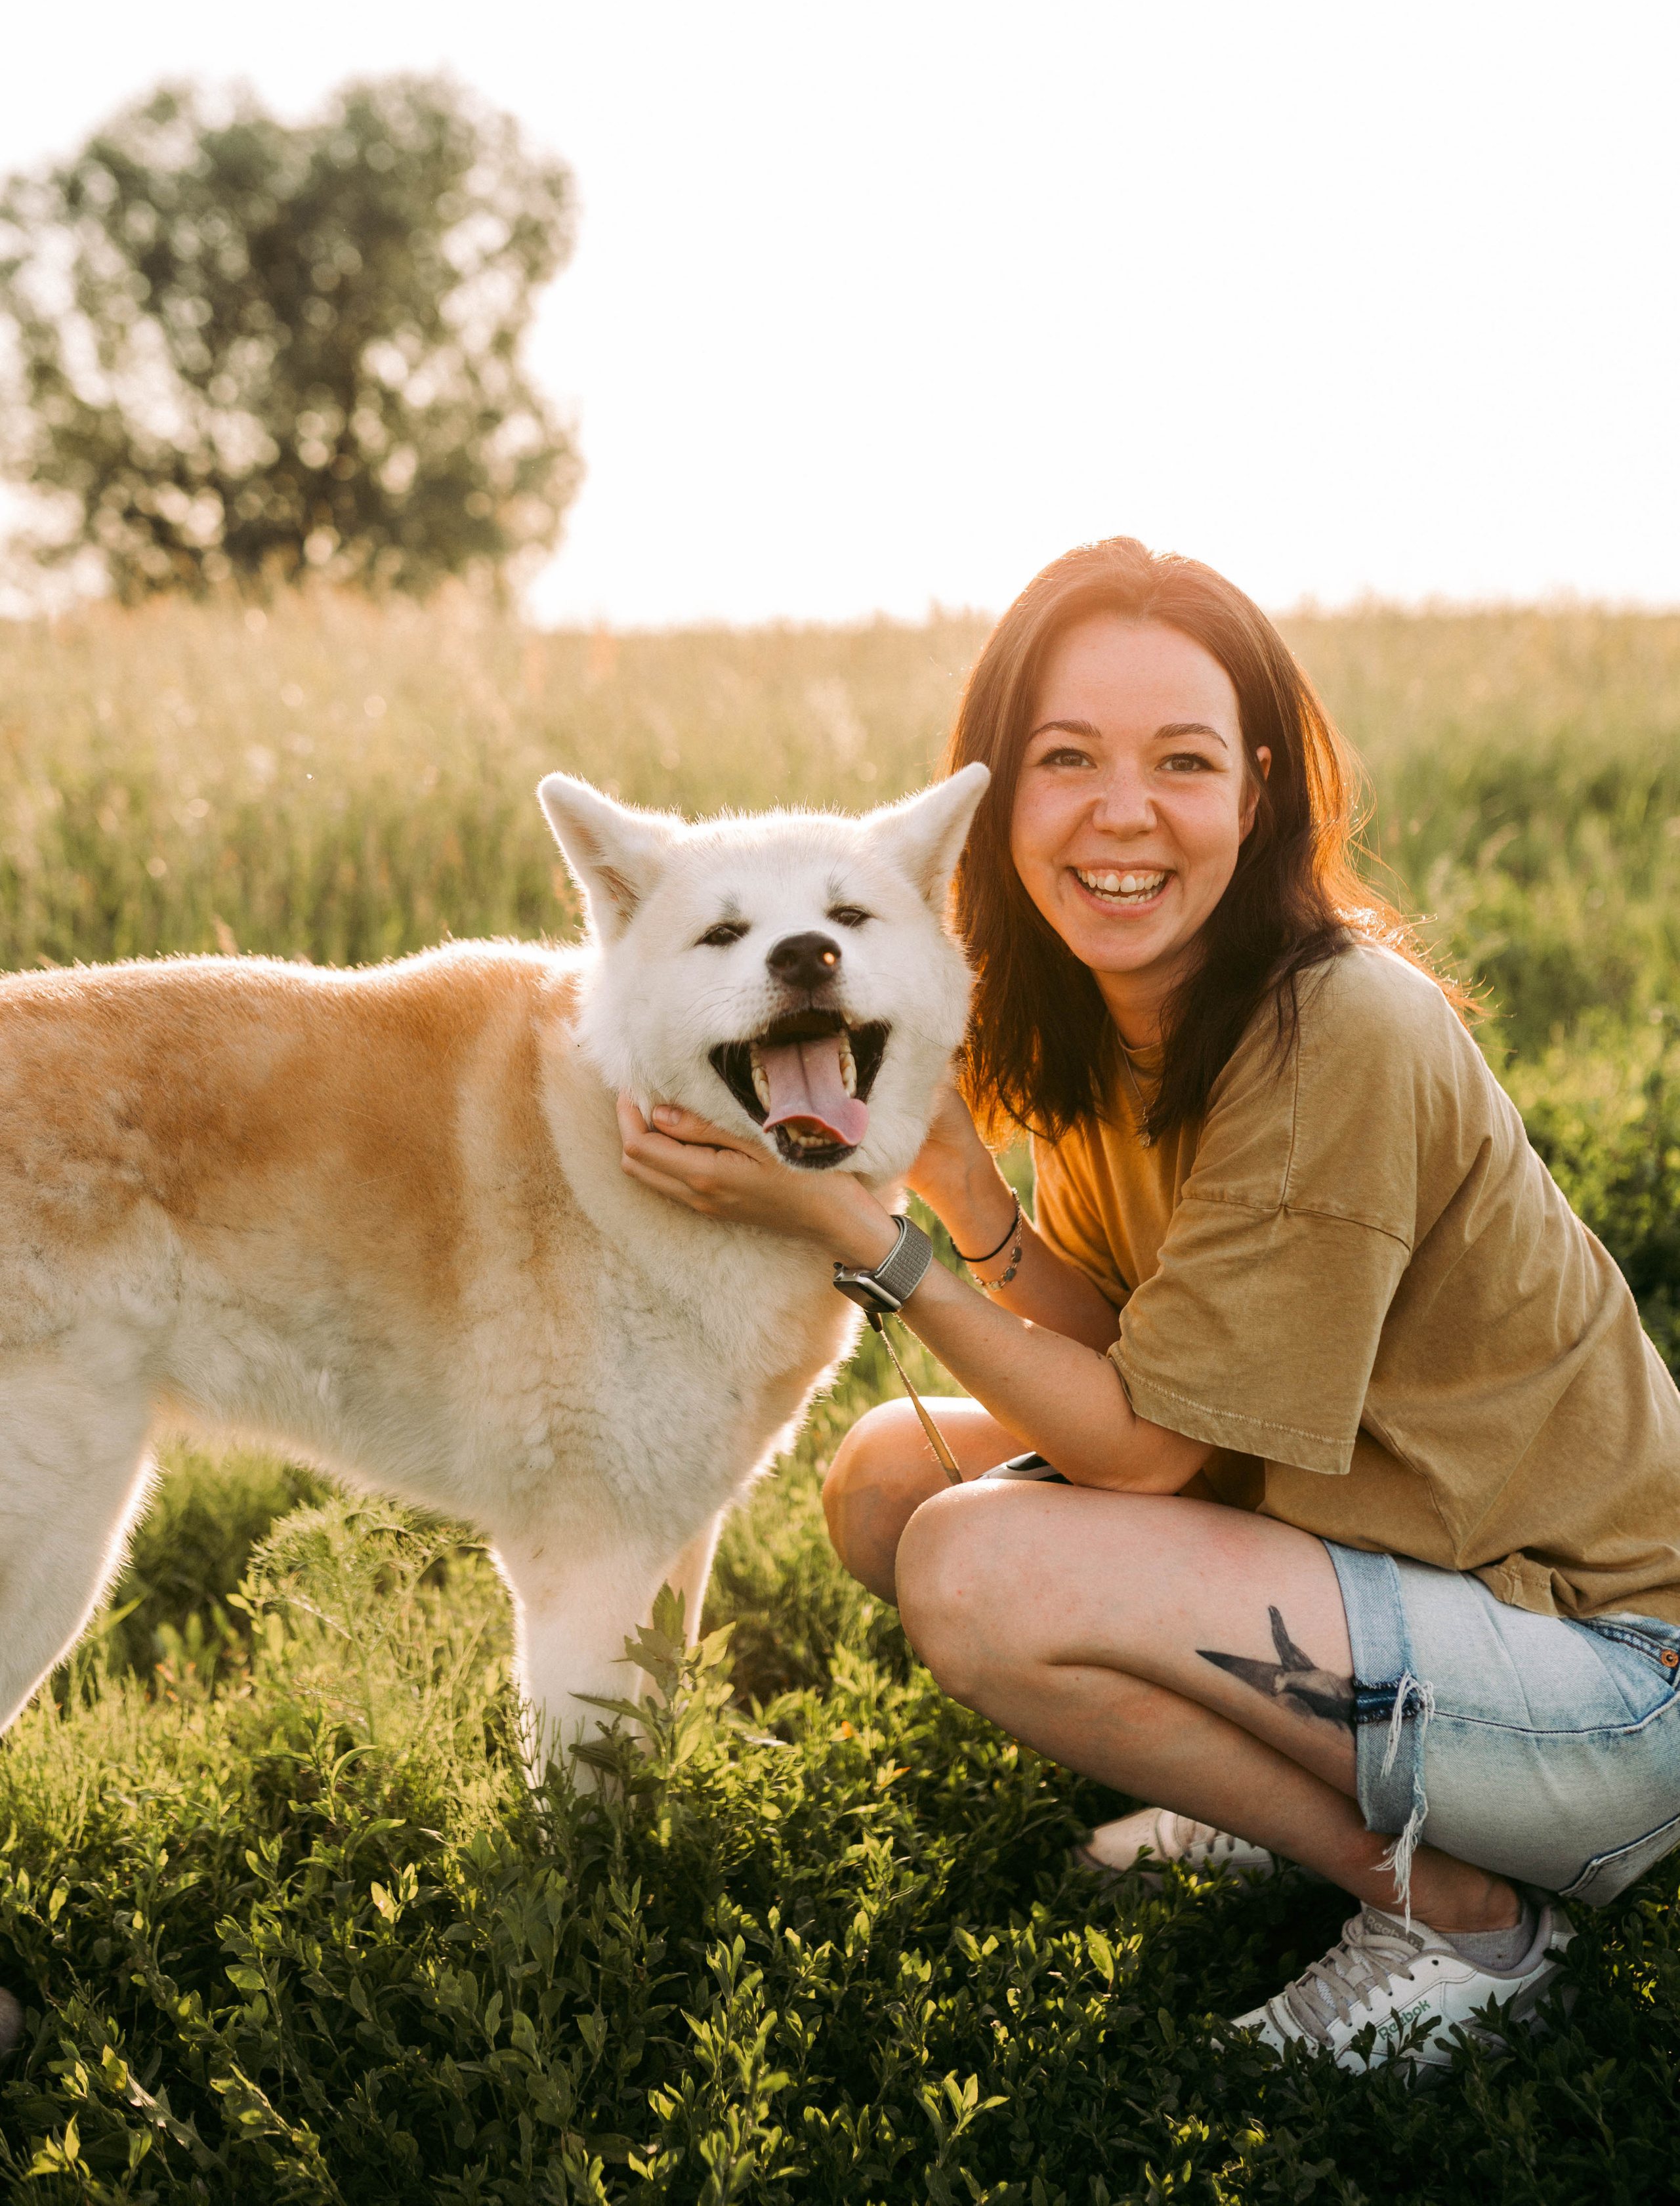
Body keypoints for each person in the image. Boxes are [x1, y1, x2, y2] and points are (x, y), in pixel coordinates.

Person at [618, 537, 1680, 2073]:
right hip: (1379, 1560)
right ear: (1000, 796)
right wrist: (968, 1197)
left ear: (1253, 795)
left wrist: (879, 1247)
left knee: (977, 1571)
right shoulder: (1103, 1009)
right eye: (1067, 760)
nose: (1121, 812)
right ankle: (1278, 1771)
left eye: (1179, 761)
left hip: (1605, 1683)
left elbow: (1143, 1458)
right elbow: (1134, 1352)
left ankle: (1462, 1921)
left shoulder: (1329, 1032)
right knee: (884, 1486)